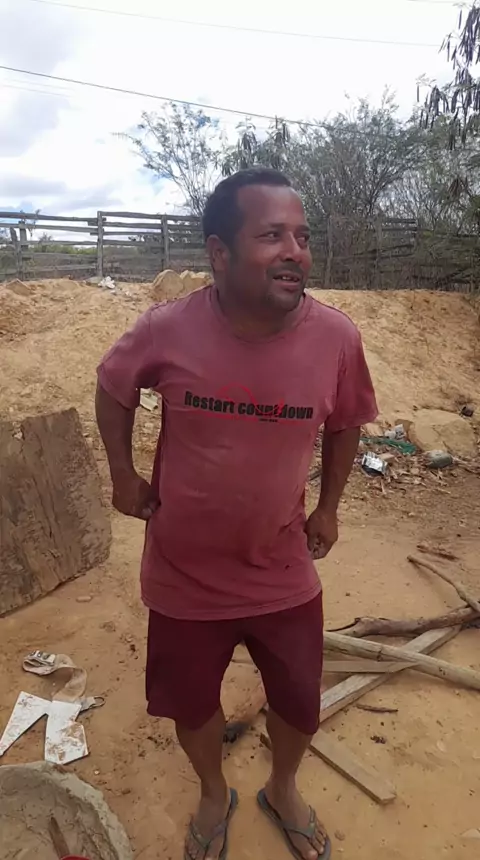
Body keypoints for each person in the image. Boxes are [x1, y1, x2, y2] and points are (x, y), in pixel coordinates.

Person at [95, 167, 378, 860]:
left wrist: (330, 507)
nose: (295, 252)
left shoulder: (335, 338)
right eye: (272, 236)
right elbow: (113, 385)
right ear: (219, 253)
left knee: (300, 701)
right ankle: (213, 793)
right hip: (184, 573)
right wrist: (122, 474)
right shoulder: (167, 329)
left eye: (302, 237)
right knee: (190, 705)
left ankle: (282, 788)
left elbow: (346, 421)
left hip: (281, 566)